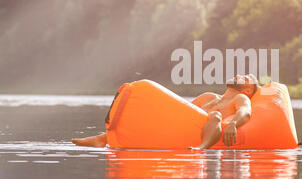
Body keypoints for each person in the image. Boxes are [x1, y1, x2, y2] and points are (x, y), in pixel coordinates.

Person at [72, 74, 260, 149]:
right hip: (181, 129)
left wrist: (234, 123)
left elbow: (246, 112)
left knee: (216, 115)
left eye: (245, 77)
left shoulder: (240, 98)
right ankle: (104, 138)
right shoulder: (209, 96)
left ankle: (201, 150)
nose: (239, 75)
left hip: (202, 135)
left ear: (248, 90)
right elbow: (183, 110)